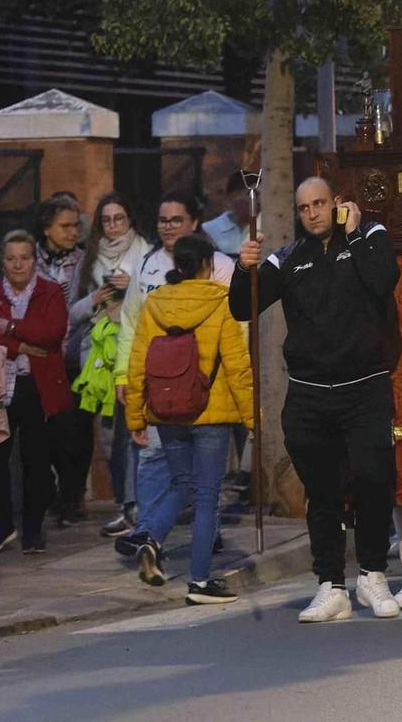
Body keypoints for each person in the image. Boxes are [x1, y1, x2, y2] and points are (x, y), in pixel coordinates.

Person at [232, 177, 402, 623]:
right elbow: (241, 307)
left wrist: (354, 231)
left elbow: (382, 280)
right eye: (304, 206)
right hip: (309, 395)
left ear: (337, 203)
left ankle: (373, 573)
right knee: (322, 493)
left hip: (365, 387)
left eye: (320, 203)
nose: (312, 213)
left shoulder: (371, 237)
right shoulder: (287, 258)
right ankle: (330, 584)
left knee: (371, 479)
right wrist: (243, 268)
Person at [125, 233, 254, 605]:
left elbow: (138, 364)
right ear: (208, 266)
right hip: (210, 413)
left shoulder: (154, 305)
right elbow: (236, 366)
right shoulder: (220, 303)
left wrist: (136, 417)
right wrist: (251, 418)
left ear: (176, 266)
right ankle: (199, 581)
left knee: (183, 484)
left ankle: (150, 538)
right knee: (206, 496)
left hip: (166, 412)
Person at [113, 193, 232, 559]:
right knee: (151, 458)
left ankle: (203, 531)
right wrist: (124, 375)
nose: (168, 226)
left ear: (194, 222)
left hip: (205, 383)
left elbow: (235, 327)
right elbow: (131, 322)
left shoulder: (222, 267)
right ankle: (148, 534)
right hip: (158, 380)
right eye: (163, 220)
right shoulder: (147, 266)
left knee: (201, 469)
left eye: (176, 219)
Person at [0, 229, 69, 554]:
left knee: (36, 460)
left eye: (25, 258)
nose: (18, 265)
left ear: (34, 261)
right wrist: (23, 346)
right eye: (11, 258)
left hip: (37, 387)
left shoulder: (50, 292)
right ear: (1, 262)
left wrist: (12, 328)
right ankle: (1, 525)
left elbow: (52, 333)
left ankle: (33, 528)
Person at [73, 193, 151, 536]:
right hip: (99, 356)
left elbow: (157, 301)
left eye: (119, 218)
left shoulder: (146, 253)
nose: (113, 226)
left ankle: (139, 505)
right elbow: (70, 314)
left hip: (135, 350)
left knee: (136, 433)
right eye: (107, 220)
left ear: (130, 220)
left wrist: (131, 286)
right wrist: (95, 298)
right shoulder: (89, 260)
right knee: (108, 438)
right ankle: (123, 504)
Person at [34, 198, 90, 526]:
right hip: (44, 356)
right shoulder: (31, 260)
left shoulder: (84, 259)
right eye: (64, 226)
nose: (71, 232)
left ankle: (73, 494)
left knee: (79, 430)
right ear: (46, 228)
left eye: (75, 226)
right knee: (51, 432)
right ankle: (56, 491)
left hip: (77, 352)